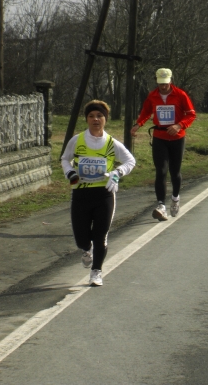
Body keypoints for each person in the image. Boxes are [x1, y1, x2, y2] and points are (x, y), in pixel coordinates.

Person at [61, 100, 135, 286]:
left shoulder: (111, 143)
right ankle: (87, 249)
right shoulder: (76, 141)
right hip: (81, 195)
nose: (96, 119)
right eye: (92, 116)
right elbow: (64, 159)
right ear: (86, 119)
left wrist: (117, 173)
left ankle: (96, 271)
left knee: (100, 235)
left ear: (105, 119)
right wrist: (70, 172)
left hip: (104, 194)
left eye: (100, 116)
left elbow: (130, 161)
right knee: (81, 239)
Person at [130, 68, 196, 221]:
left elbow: (191, 114)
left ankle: (175, 198)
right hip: (159, 137)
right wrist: (137, 124)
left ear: (170, 81)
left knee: (175, 172)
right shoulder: (152, 96)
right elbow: (146, 112)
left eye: (166, 84)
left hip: (177, 138)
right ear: (157, 82)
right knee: (161, 171)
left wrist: (179, 125)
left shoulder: (180, 95)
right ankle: (161, 205)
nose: (163, 87)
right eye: (161, 84)